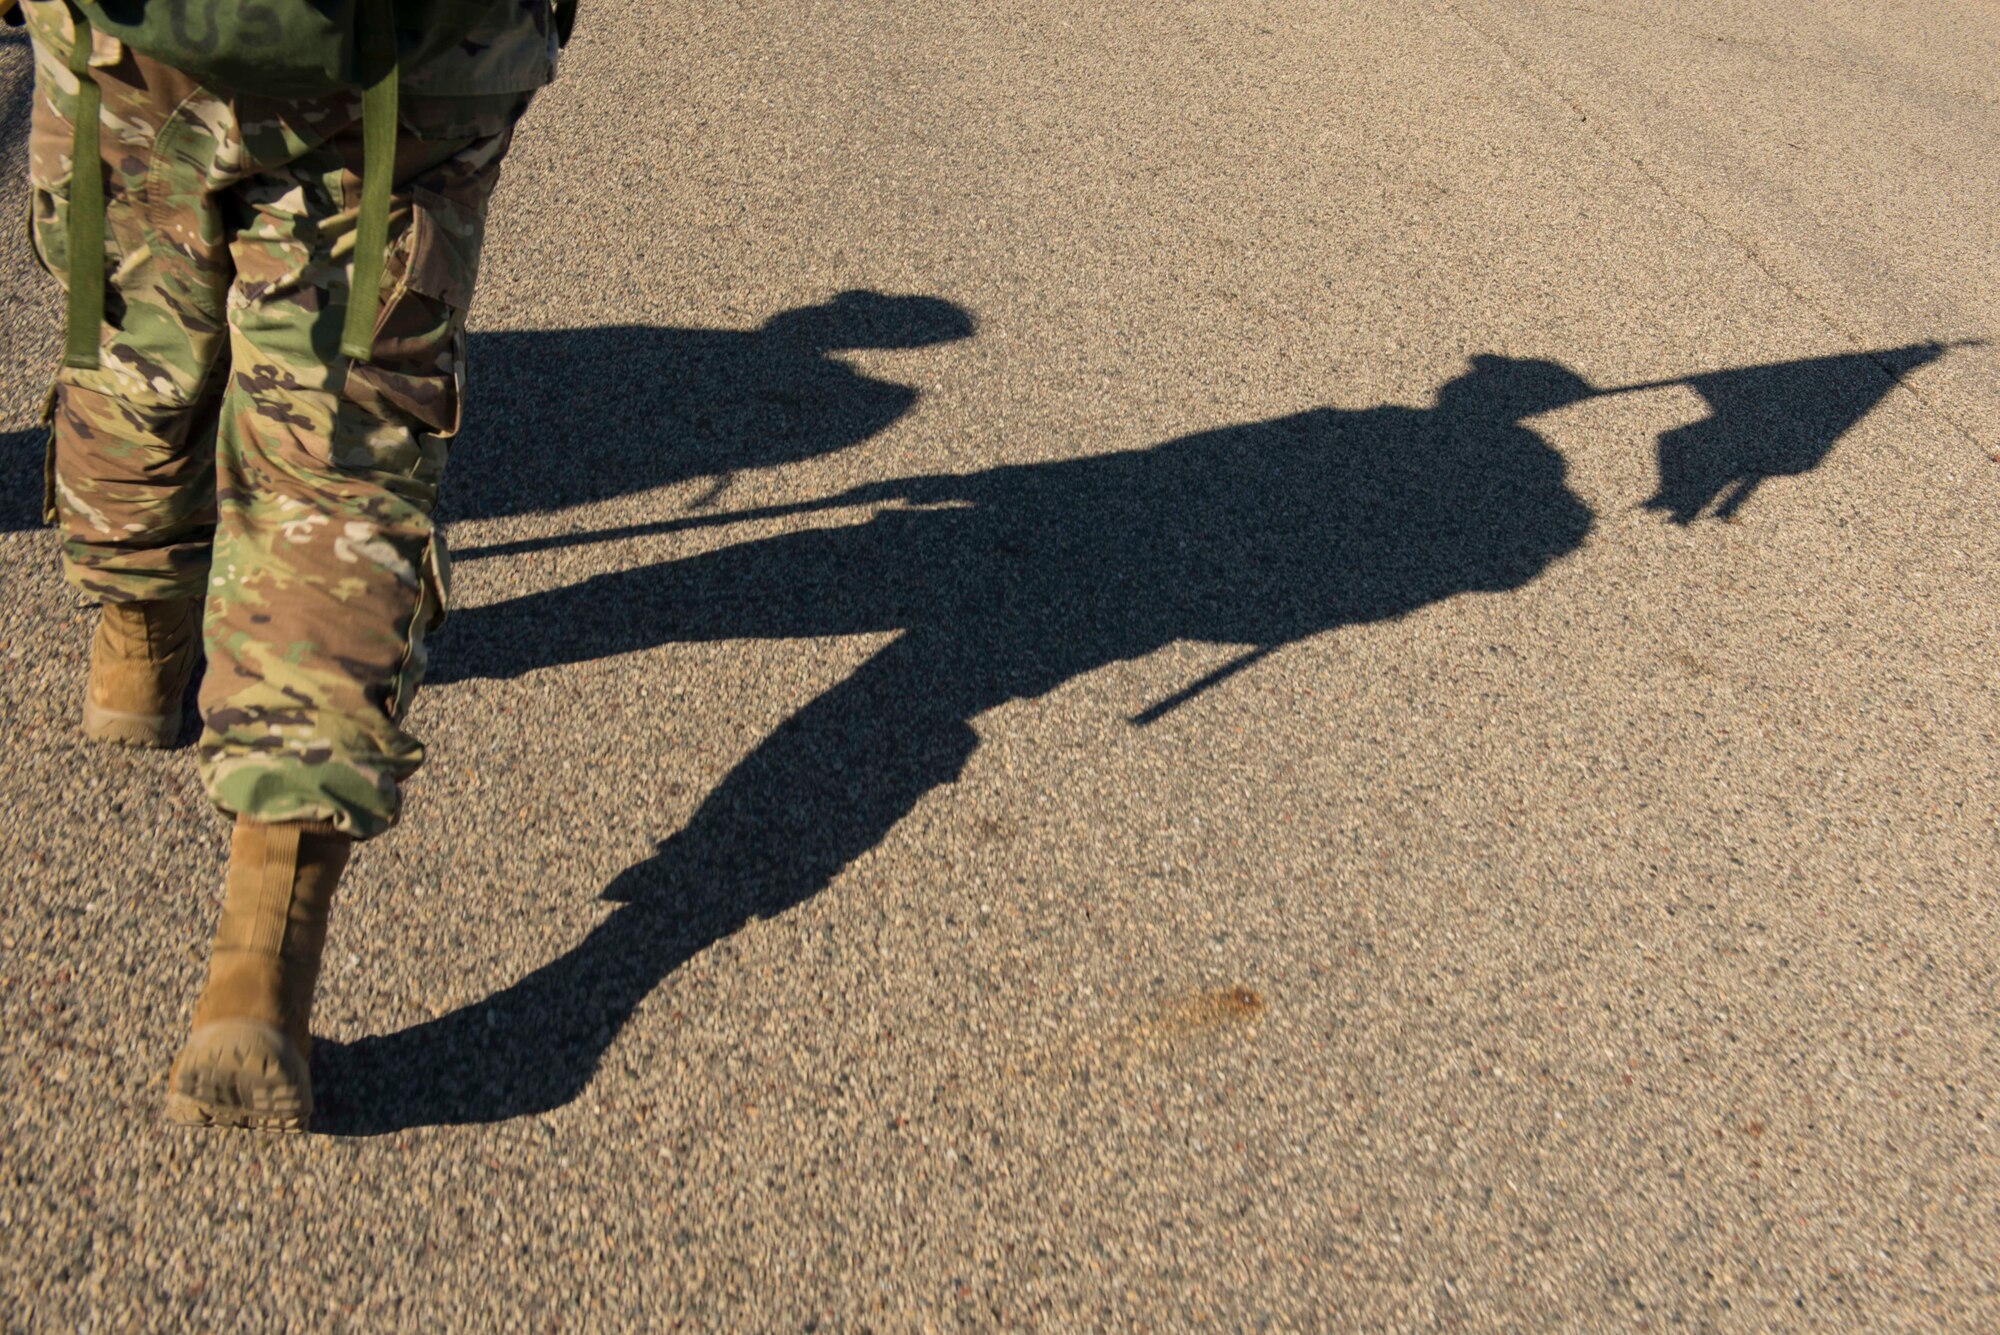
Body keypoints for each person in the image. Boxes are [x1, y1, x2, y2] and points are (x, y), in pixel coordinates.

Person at [14, 0, 566, 1131]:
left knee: (132, 344)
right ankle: (256, 966)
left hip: (134, 36)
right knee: (339, 457)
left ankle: (138, 651)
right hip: (420, 51)